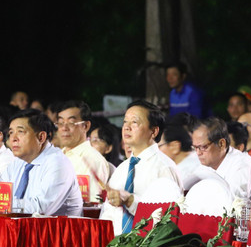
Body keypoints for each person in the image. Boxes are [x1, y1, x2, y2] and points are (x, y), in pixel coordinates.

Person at [101, 100, 181, 235]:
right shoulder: (122, 169)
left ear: (154, 131)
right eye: (125, 121)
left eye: (134, 122)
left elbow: (169, 219)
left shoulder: (164, 168)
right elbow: (107, 214)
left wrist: (131, 201)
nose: (126, 127)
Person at [0, 109, 83, 216]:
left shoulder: (58, 163)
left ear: (41, 137)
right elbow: (0, 192)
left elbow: (41, 209)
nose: (13, 139)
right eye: (11, 132)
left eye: (20, 131)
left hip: (56, 230)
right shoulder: (18, 162)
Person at [191, 117, 251, 203]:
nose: (198, 153)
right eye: (195, 147)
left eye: (203, 147)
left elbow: (234, 204)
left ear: (221, 144)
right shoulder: (204, 164)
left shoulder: (242, 164)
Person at [56, 101, 112, 203]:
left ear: (86, 126)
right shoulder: (55, 157)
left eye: (71, 123)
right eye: (60, 123)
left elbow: (93, 207)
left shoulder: (93, 160)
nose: (64, 128)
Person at [159, 123, 200, 189]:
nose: (156, 151)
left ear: (175, 146)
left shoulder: (185, 174)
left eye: (159, 146)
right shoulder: (199, 160)